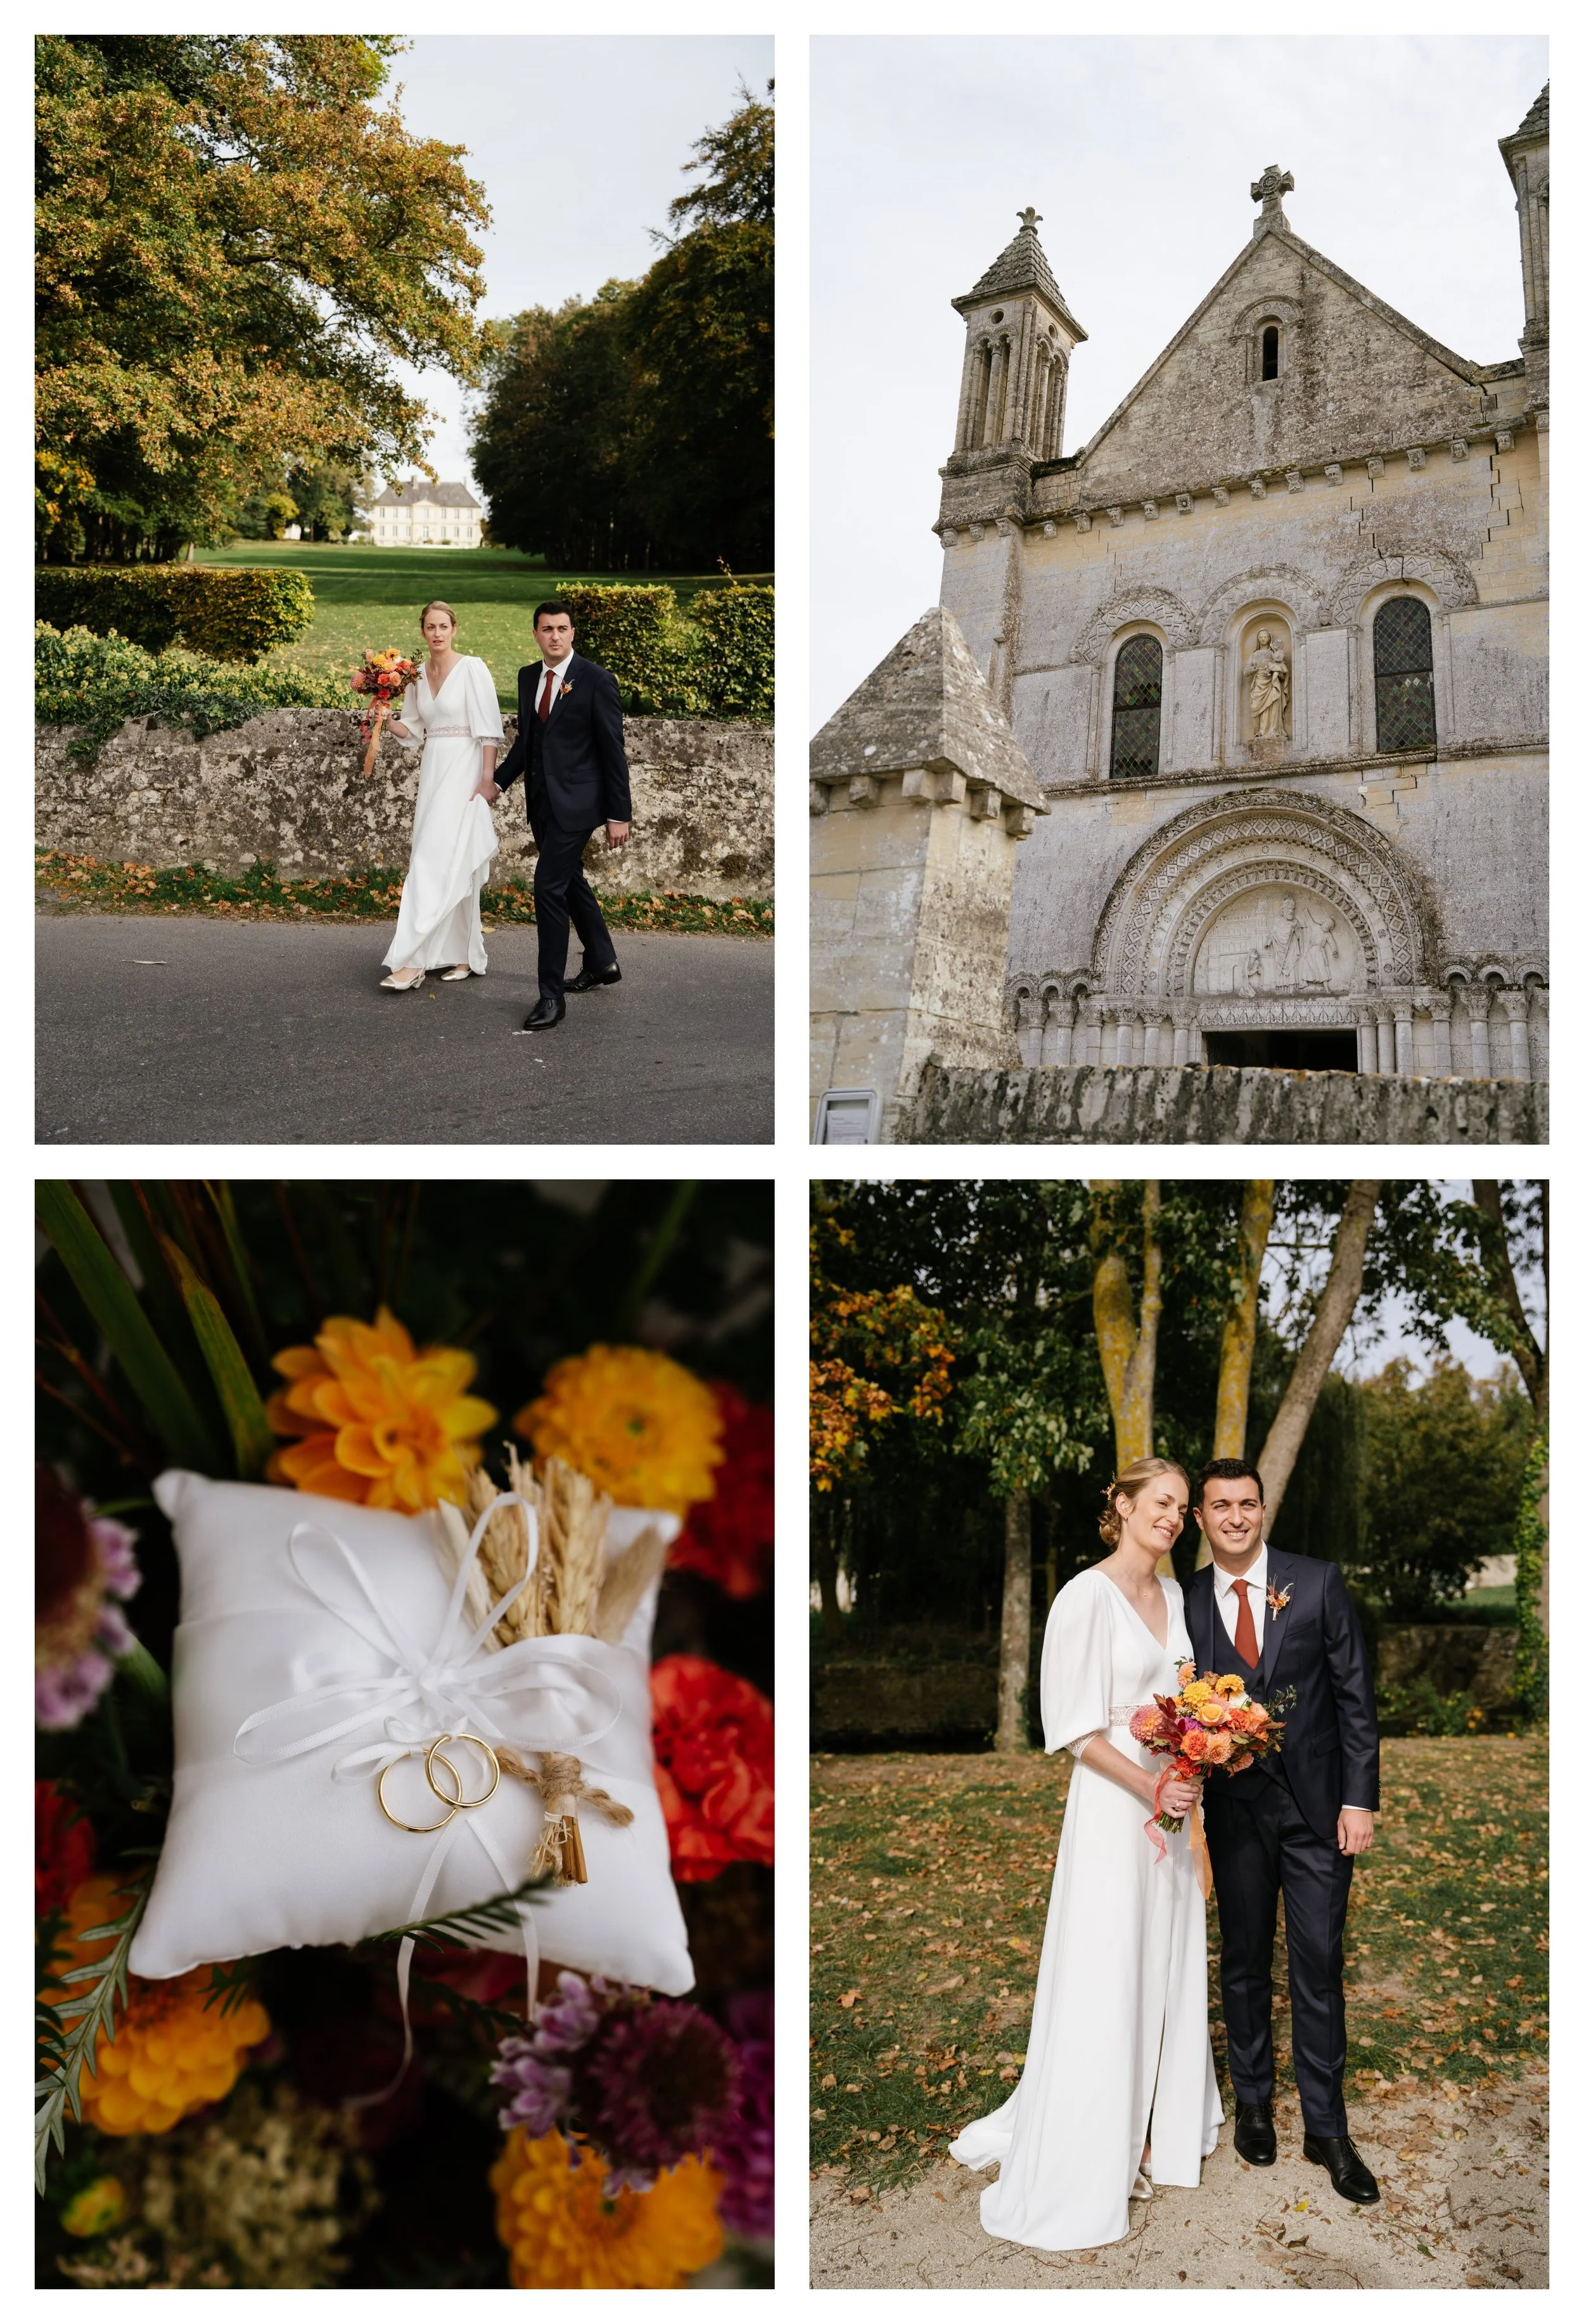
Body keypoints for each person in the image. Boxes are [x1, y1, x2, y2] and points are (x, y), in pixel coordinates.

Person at [948, 1458, 1223, 2252]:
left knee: (1161, 1959)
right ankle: (1091, 2136)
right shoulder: (1085, 1595)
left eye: (1180, 1506)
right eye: (1159, 1502)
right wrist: (1148, 1786)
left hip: (1170, 1803)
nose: (1171, 1516)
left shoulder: (1173, 1595)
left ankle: (1150, 2121)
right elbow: (1071, 1725)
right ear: (1124, 1505)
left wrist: (1195, 1760)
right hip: (1115, 1806)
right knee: (1109, 1962)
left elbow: (1184, 1700)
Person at [1185, 1459, 1381, 2204]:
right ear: (1201, 1518)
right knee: (1241, 1960)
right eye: (1220, 1505)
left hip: (1317, 1810)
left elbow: (1354, 1696)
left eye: (1247, 1503)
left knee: (1319, 1961)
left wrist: (1357, 1799)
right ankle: (1256, 2104)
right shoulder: (1188, 1600)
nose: (1235, 1516)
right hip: (1233, 1810)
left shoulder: (1318, 1580)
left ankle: (1327, 2128)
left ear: (1262, 1510)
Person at [492, 601, 632, 1031]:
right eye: (547, 629)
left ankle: (550, 997)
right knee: (571, 881)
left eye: (562, 629)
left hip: (579, 804)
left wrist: (618, 814)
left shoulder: (596, 680)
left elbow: (613, 751)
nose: (555, 636)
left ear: (573, 633)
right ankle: (603, 961)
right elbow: (527, 742)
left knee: (548, 887)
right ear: (536, 634)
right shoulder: (528, 676)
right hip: (542, 802)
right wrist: (497, 783)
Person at [381, 603, 504, 991]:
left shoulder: (472, 668)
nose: (437, 633)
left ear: (455, 629)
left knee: (432, 860)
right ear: (423, 632)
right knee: (444, 859)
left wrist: (487, 781)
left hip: (466, 772)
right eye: (430, 627)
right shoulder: (415, 675)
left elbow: (489, 731)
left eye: (444, 626)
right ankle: (464, 956)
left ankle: (412, 961)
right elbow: (415, 731)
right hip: (434, 770)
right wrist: (387, 720)